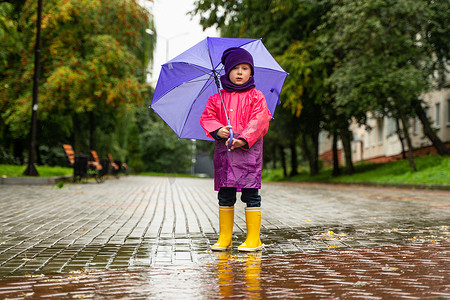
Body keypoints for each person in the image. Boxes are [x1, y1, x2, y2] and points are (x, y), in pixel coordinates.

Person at [200, 47, 271, 252]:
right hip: (225, 157)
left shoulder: (256, 96)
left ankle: (253, 238)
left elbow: (260, 120)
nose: (240, 72)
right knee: (225, 195)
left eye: (245, 68)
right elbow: (207, 117)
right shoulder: (216, 99)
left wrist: (243, 139)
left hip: (248, 155)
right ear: (227, 71)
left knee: (251, 195)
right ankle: (225, 237)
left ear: (251, 72)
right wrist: (218, 130)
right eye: (235, 68)